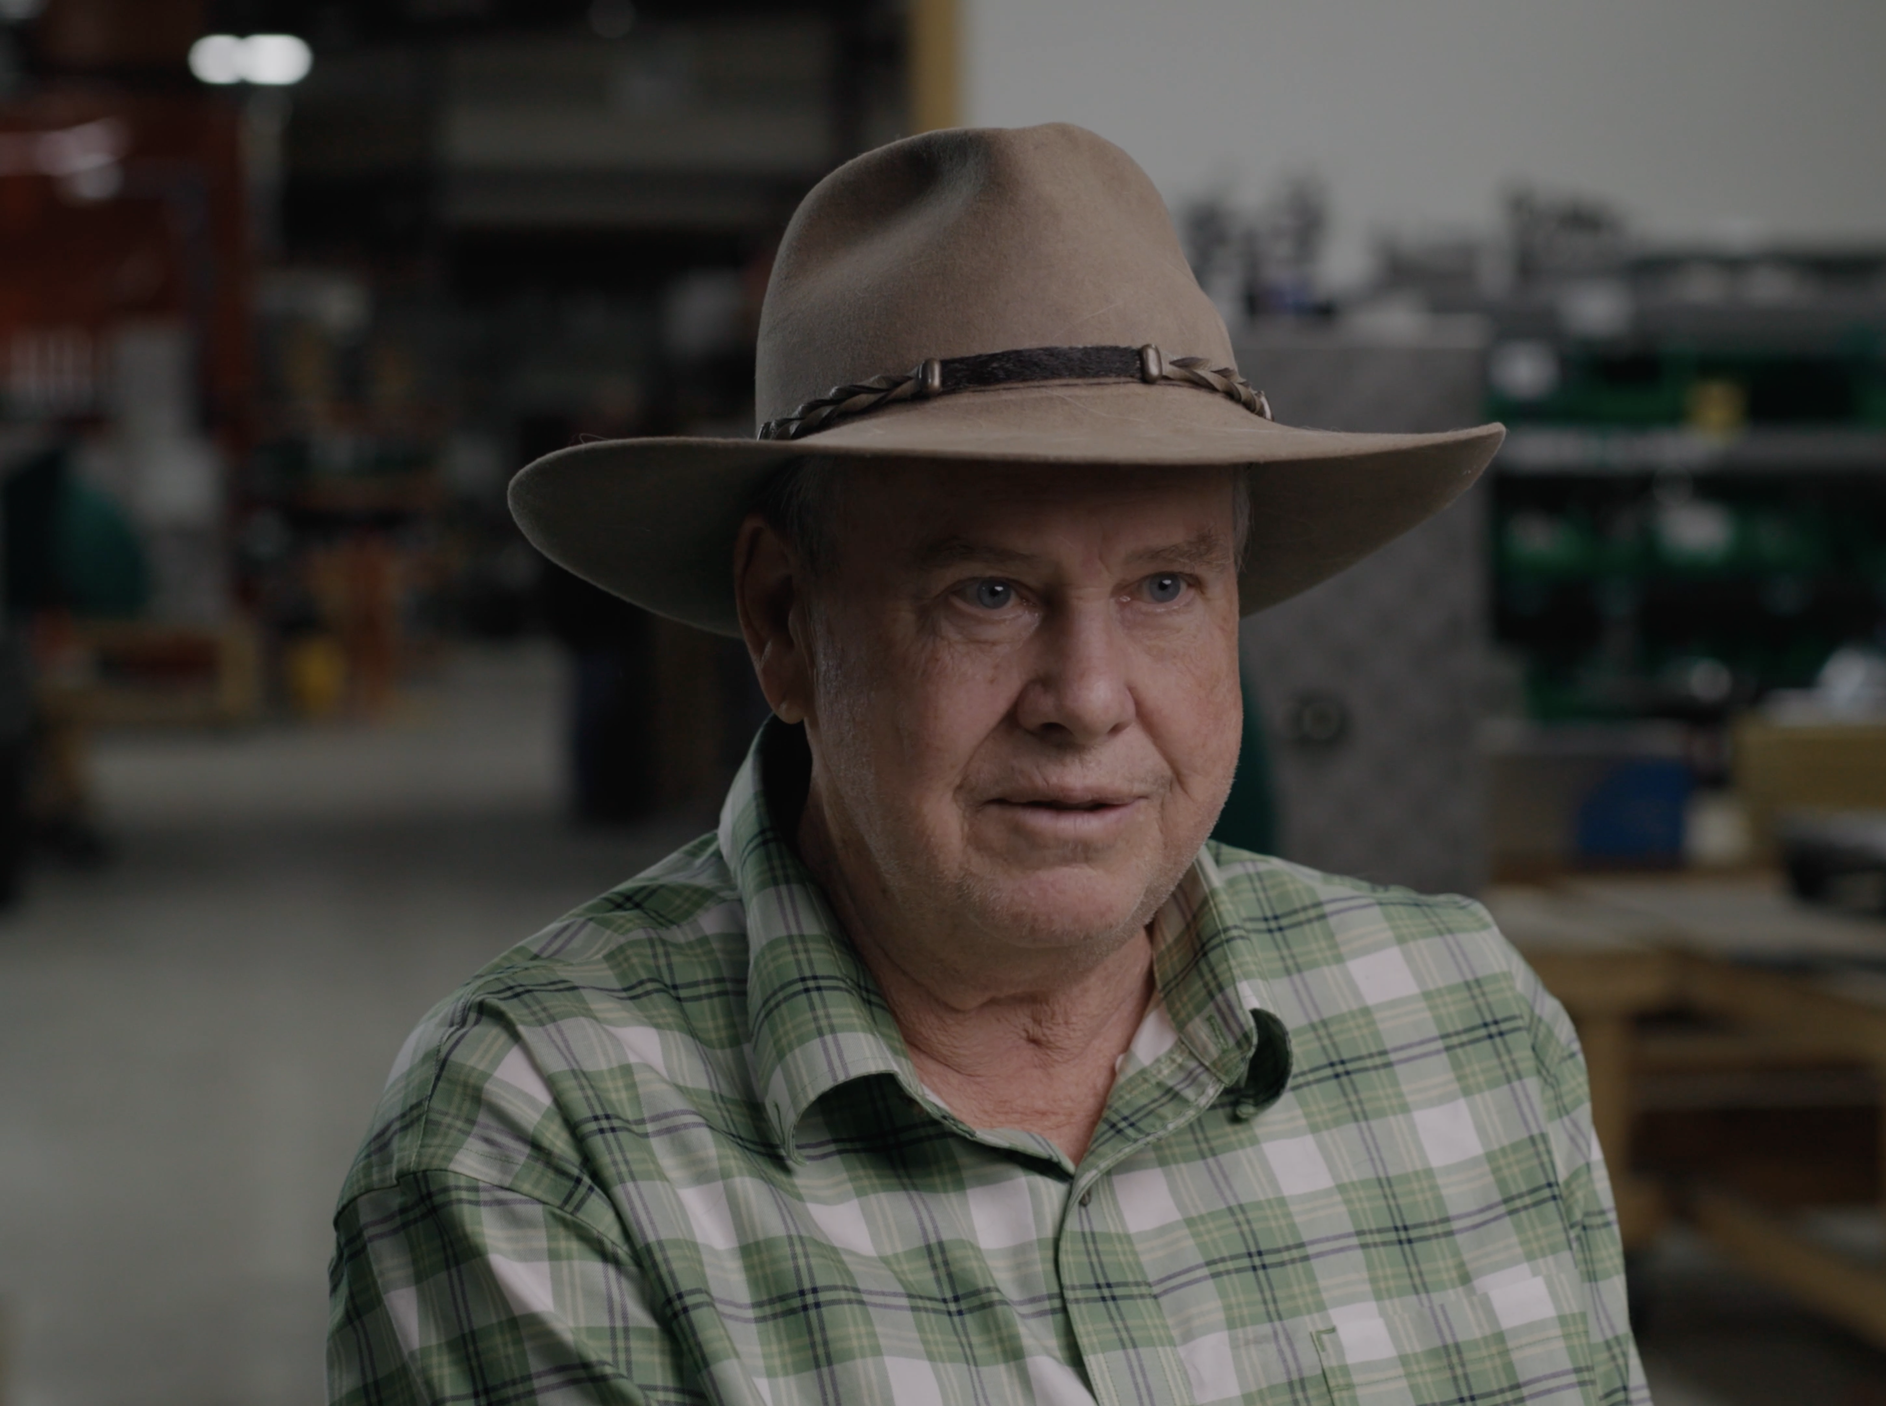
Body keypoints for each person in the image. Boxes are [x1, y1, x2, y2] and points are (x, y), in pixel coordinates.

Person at [327, 123, 1649, 1406]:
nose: (1088, 700)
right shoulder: (542, 1139)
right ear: (785, 623)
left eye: (1166, 586)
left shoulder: (1465, 1023)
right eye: (989, 592)